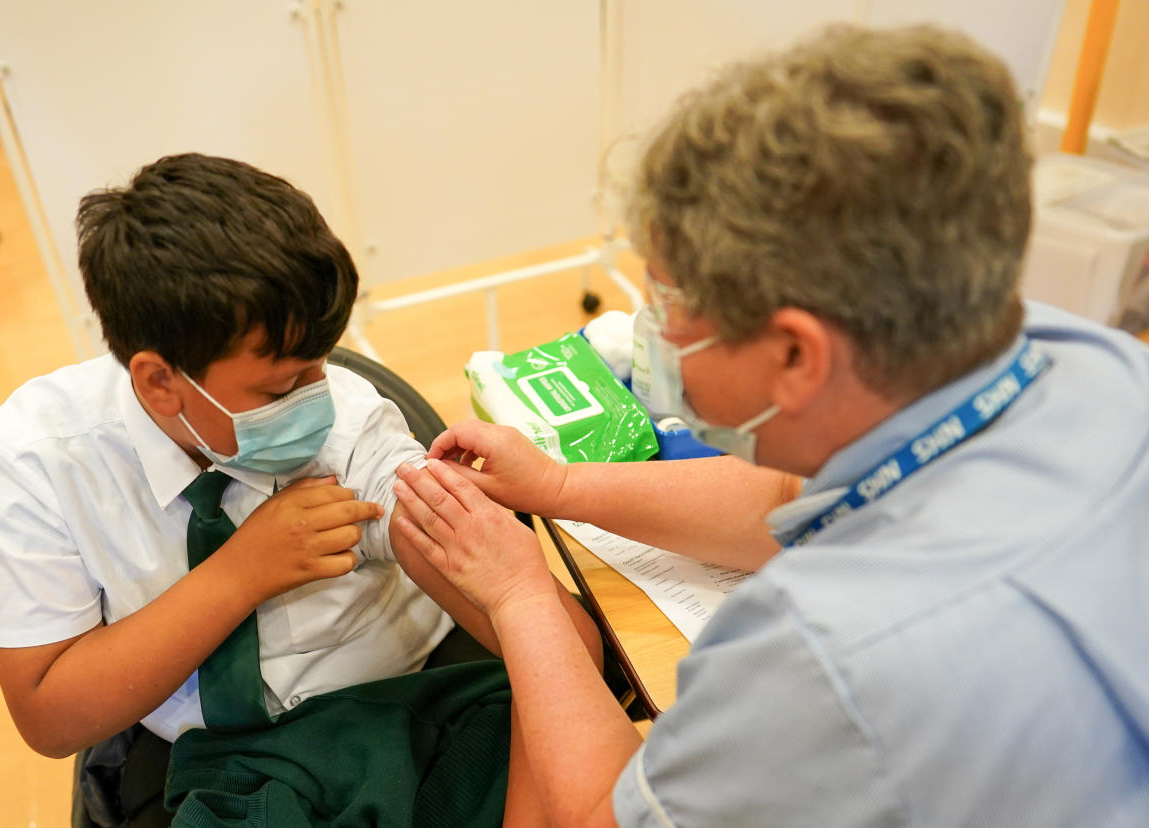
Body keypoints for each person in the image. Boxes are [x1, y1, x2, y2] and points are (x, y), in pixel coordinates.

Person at [392, 23, 1149, 827]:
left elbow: (597, 820)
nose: (653, 330)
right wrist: (562, 485)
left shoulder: (821, 657)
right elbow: (795, 491)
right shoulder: (1088, 361)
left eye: (669, 304)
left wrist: (520, 601)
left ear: (796, 354)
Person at [0, 153, 600, 827]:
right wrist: (239, 575)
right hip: (207, 750)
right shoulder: (34, 462)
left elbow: (554, 644)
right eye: (279, 389)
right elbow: (48, 717)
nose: (316, 400)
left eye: (320, 366)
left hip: (408, 696)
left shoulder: (353, 424)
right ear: (159, 381)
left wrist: (484, 551)